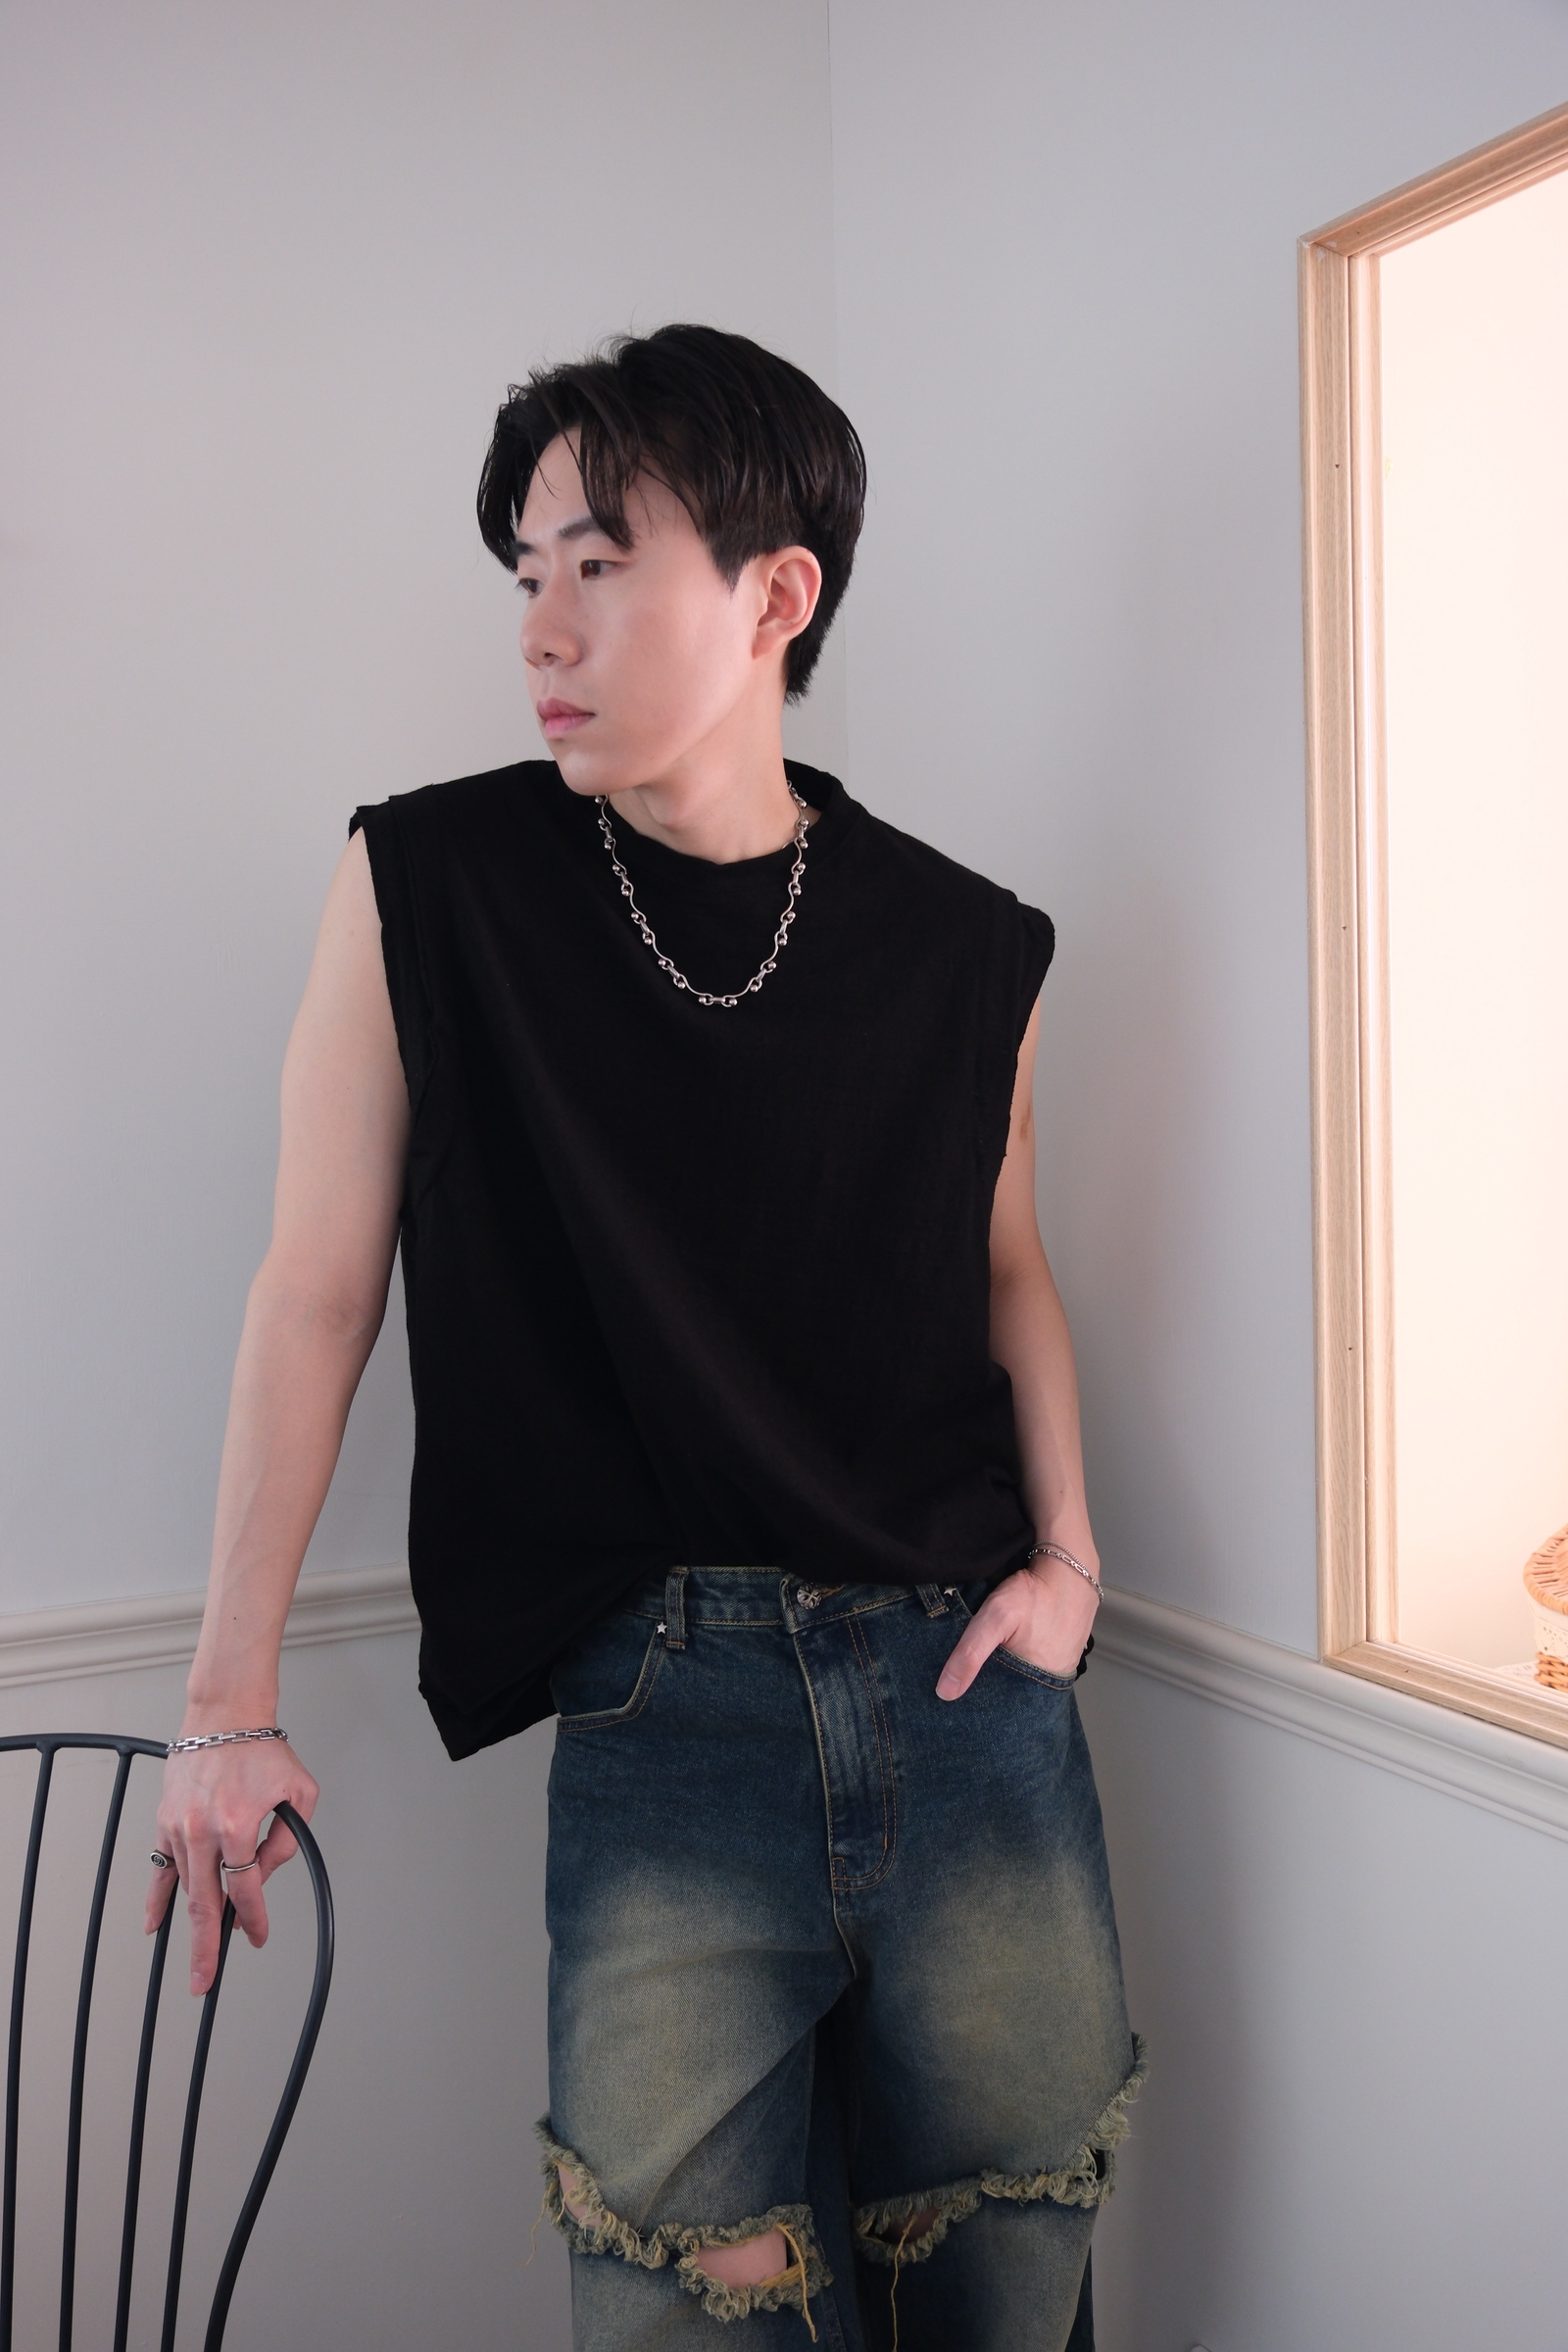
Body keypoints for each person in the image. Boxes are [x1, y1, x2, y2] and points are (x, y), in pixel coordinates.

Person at [148, 323, 1143, 2351]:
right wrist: (224, 1701)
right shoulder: (430, 884)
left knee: (1006, 2282)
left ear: (775, 595)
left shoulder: (966, 941)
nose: (543, 624)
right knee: (675, 2305)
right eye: (529, 571)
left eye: (601, 563)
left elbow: (1007, 1270)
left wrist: (1069, 1560)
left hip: (969, 1694)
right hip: (664, 1713)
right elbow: (315, 1288)